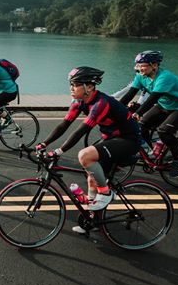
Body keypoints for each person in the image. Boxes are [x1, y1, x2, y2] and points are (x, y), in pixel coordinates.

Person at [35, 67, 142, 224]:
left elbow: (81, 131)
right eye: (71, 84)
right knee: (92, 177)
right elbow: (64, 125)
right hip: (112, 139)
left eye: (76, 84)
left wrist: (58, 151)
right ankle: (93, 221)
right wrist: (43, 144)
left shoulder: (101, 103)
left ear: (89, 87)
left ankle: (106, 194)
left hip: (128, 140)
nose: (71, 88)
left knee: (85, 156)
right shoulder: (79, 102)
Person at [119, 50, 178, 178]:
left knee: (164, 131)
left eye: (142, 65)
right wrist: (115, 108)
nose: (139, 68)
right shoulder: (140, 76)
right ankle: (150, 153)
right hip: (165, 105)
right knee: (141, 125)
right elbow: (130, 94)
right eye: (137, 65)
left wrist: (138, 113)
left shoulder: (164, 77)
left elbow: (153, 99)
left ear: (154, 65)